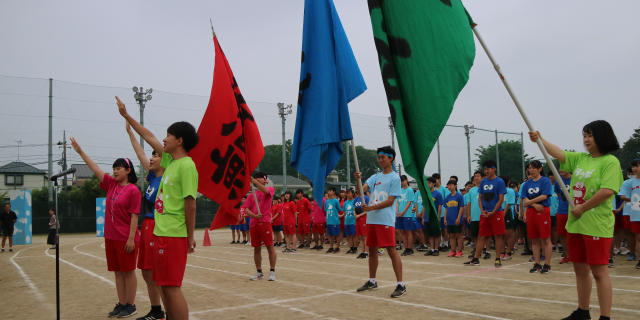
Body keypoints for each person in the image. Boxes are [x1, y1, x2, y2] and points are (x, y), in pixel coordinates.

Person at [530, 120, 623, 320]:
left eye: (590, 135)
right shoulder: (581, 158)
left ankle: (605, 317)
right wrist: (540, 139)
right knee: (580, 269)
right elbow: (559, 153)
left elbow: (608, 191)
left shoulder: (610, 162)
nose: (586, 140)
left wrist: (583, 207)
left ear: (602, 137)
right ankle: (583, 311)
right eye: (585, 136)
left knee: (599, 272)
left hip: (596, 225)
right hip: (577, 224)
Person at [118, 96, 198, 320]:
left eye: (169, 136)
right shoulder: (170, 162)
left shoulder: (187, 166)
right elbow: (148, 136)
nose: (163, 139)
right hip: (161, 232)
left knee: (172, 288)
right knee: (162, 286)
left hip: (174, 234)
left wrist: (190, 237)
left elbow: (190, 205)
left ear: (179, 140)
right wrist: (127, 116)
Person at [70, 137, 141, 318]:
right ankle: (122, 303)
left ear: (128, 170)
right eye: (114, 168)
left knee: (128, 272)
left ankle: (131, 305)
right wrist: (80, 152)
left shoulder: (133, 189)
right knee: (117, 273)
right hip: (110, 236)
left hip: (126, 238)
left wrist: (132, 238)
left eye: (119, 168)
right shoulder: (111, 185)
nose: (115, 171)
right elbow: (95, 168)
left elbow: (134, 215)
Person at [125, 121, 167, 320]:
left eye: (156, 155)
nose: (151, 158)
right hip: (147, 227)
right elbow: (140, 153)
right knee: (146, 272)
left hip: (157, 226)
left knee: (155, 272)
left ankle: (162, 310)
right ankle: (156, 310)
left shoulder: (167, 177)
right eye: (152, 154)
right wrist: (130, 133)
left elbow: (155, 143)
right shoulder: (152, 177)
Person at [354, 146, 405, 298]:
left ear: (391, 158)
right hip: (372, 219)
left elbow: (390, 201)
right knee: (372, 250)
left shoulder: (395, 178)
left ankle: (401, 284)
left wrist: (371, 207)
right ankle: (372, 280)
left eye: (383, 157)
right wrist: (358, 180)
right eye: (379, 157)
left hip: (385, 220)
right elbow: (360, 191)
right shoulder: (375, 177)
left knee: (391, 250)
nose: (380, 160)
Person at [465, 160, 506, 268]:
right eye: (485, 169)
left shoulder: (500, 181)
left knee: (498, 236)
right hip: (485, 213)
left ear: (494, 169)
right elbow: (480, 198)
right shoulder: (483, 182)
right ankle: (476, 259)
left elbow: (501, 199)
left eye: (488, 168)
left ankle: (498, 259)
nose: (486, 171)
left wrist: (493, 211)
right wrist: (483, 210)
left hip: (496, 213)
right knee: (481, 236)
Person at [520, 160, 553, 274]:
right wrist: (533, 204)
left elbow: (544, 196)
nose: (531, 170)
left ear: (540, 169)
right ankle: (537, 263)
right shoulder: (527, 184)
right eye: (530, 168)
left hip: (543, 211)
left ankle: (547, 264)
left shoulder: (545, 181)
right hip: (531, 212)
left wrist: (530, 202)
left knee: (545, 238)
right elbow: (524, 199)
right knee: (534, 239)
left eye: (534, 167)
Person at [243, 172, 277, 281]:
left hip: (265, 222)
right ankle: (259, 272)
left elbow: (266, 191)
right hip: (254, 224)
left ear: (265, 180)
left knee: (269, 247)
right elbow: (245, 209)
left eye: (261, 179)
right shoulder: (251, 195)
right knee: (256, 248)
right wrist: (254, 216)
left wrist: (255, 182)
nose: (259, 180)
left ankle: (272, 271)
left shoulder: (270, 189)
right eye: (257, 178)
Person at [619, 159, 640, 269]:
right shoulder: (628, 182)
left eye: (636, 166)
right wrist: (634, 199)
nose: (634, 169)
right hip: (636, 214)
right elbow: (622, 196)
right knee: (638, 237)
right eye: (633, 167)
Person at [443, 180, 465, 257]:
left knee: (458, 235)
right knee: (451, 236)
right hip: (449, 220)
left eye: (451, 185)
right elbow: (446, 209)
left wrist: (458, 218)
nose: (449, 187)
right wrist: (445, 219)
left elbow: (461, 207)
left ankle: (460, 251)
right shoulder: (447, 197)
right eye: (448, 185)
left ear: (455, 186)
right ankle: (453, 251)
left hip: (457, 220)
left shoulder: (459, 196)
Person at [396, 175, 417, 256]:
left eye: (403, 180)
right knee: (402, 232)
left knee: (408, 232)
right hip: (400, 215)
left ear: (406, 180)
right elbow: (397, 202)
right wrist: (397, 211)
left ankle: (410, 248)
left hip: (407, 214)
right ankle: (406, 248)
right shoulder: (400, 190)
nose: (402, 182)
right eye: (401, 181)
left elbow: (409, 202)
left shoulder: (409, 190)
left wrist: (403, 212)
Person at [464, 171, 483, 258]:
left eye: (478, 176)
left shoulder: (485, 188)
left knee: (483, 235)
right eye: (475, 176)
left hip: (483, 216)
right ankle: (476, 249)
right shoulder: (472, 190)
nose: (476, 178)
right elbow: (469, 203)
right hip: (474, 216)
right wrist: (468, 215)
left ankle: (487, 251)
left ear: (482, 177)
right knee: (474, 235)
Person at [424, 177, 443, 256]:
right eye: (427, 183)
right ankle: (431, 249)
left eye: (430, 183)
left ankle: (436, 249)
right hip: (427, 216)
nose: (428, 185)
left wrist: (438, 216)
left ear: (434, 184)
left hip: (434, 217)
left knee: (436, 234)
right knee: (430, 234)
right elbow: (425, 206)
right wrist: (423, 217)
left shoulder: (438, 193)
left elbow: (440, 206)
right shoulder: (426, 193)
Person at [502, 177, 517, 261]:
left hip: (508, 213)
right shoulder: (498, 191)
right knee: (501, 234)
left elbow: (508, 203)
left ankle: (509, 252)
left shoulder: (510, 191)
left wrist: (503, 214)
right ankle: (503, 252)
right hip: (499, 212)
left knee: (509, 233)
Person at [324, 188, 343, 253]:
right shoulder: (327, 201)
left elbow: (339, 210)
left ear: (333, 192)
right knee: (330, 235)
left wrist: (336, 214)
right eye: (328, 190)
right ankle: (331, 247)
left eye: (330, 190)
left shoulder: (336, 201)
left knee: (337, 234)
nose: (329, 192)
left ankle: (337, 247)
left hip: (335, 220)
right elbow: (325, 210)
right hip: (329, 220)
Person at [354, 186, 370, 259]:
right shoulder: (356, 199)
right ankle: (363, 251)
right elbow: (354, 208)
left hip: (364, 218)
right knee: (360, 236)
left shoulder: (366, 198)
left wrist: (359, 215)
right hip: (357, 219)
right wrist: (355, 215)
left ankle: (366, 252)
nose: (357, 190)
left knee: (365, 236)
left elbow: (368, 209)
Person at [343, 189, 357, 254]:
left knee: (354, 235)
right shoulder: (345, 202)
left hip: (353, 221)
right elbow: (345, 212)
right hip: (347, 221)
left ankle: (355, 248)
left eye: (349, 193)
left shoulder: (355, 201)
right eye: (347, 193)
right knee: (348, 236)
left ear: (353, 194)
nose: (348, 194)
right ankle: (351, 248)